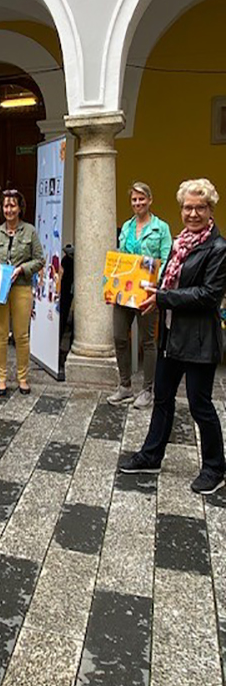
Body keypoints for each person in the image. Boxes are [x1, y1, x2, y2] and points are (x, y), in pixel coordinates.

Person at [120, 178, 226, 495]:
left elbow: (209, 295)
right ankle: (152, 456)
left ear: (210, 209)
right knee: (162, 399)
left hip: (198, 340)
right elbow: (169, 282)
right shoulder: (181, 243)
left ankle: (215, 468)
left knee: (200, 405)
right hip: (170, 334)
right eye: (188, 207)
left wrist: (164, 297)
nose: (193, 213)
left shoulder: (218, 248)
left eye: (200, 207)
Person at [107, 181, 172, 409]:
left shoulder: (160, 228)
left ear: (150, 200)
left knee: (148, 341)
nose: (137, 203)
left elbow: (166, 259)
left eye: (141, 199)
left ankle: (147, 390)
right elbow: (120, 258)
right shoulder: (126, 227)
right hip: (124, 293)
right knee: (119, 337)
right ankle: (124, 386)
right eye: (134, 199)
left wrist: (156, 285)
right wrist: (110, 286)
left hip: (147, 294)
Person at [0, 188, 45, 396]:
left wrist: (21, 269)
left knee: (22, 335)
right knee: (0, 334)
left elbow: (40, 260)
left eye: (13, 205)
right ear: (2, 209)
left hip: (21, 287)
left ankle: (23, 378)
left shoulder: (30, 231)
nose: (9, 209)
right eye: (6, 206)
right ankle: (1, 378)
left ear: (19, 208)